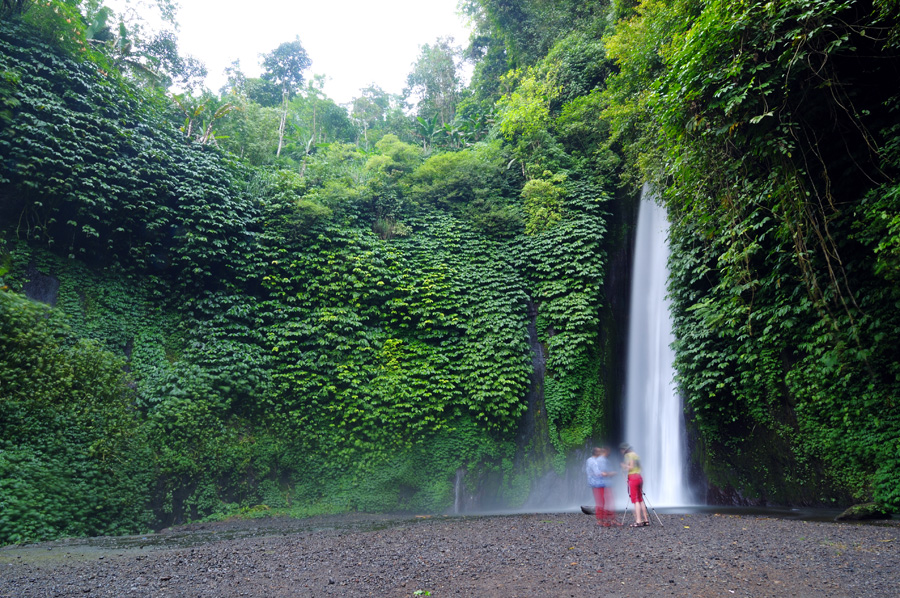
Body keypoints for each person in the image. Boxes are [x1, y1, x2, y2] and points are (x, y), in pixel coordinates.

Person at [585, 446, 619, 526]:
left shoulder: (593, 460)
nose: (601, 453)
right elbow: (598, 473)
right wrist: (610, 473)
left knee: (604, 501)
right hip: (598, 483)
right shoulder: (593, 461)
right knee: (602, 502)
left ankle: (607, 519)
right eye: (600, 451)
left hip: (600, 483)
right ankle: (602, 520)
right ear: (596, 453)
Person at [620, 442, 649, 527]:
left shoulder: (628, 456)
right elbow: (640, 468)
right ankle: (646, 520)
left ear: (625, 450)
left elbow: (631, 467)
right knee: (640, 498)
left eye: (622, 450)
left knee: (635, 499)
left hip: (633, 478)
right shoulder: (636, 455)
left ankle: (638, 521)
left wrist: (624, 466)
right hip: (639, 477)